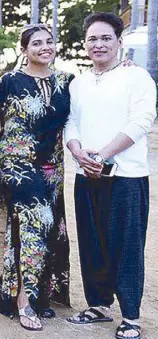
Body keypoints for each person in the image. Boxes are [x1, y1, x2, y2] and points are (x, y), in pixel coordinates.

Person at [64, 13, 156, 339]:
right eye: (92, 39)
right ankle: (99, 305)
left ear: (120, 41)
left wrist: (102, 154)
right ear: (85, 44)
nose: (99, 44)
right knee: (91, 242)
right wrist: (78, 152)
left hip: (126, 176)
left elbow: (141, 120)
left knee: (126, 245)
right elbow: (70, 122)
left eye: (106, 38)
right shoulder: (79, 83)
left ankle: (130, 315)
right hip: (86, 173)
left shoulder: (137, 77)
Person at [0, 24, 73, 331]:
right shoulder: (9, 81)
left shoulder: (66, 80)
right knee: (36, 224)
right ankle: (23, 300)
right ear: (24, 50)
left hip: (53, 169)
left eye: (49, 41)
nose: (45, 47)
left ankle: (38, 296)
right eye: (36, 43)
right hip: (17, 166)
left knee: (46, 229)